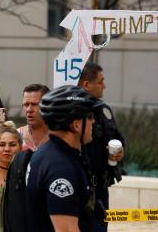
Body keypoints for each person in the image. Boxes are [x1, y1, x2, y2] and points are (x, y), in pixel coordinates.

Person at [25, 85, 103, 232]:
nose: (93, 123)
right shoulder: (61, 167)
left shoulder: (50, 154)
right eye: (90, 117)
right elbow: (66, 229)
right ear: (76, 125)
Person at [78, 61, 125, 231]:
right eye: (100, 81)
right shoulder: (73, 112)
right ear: (86, 85)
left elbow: (118, 139)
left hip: (101, 190)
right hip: (80, 187)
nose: (104, 86)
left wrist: (119, 152)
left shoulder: (104, 110)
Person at [17, 84, 50, 151]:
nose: (29, 109)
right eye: (26, 104)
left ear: (47, 106)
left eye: (35, 104)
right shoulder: (14, 136)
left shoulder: (59, 137)